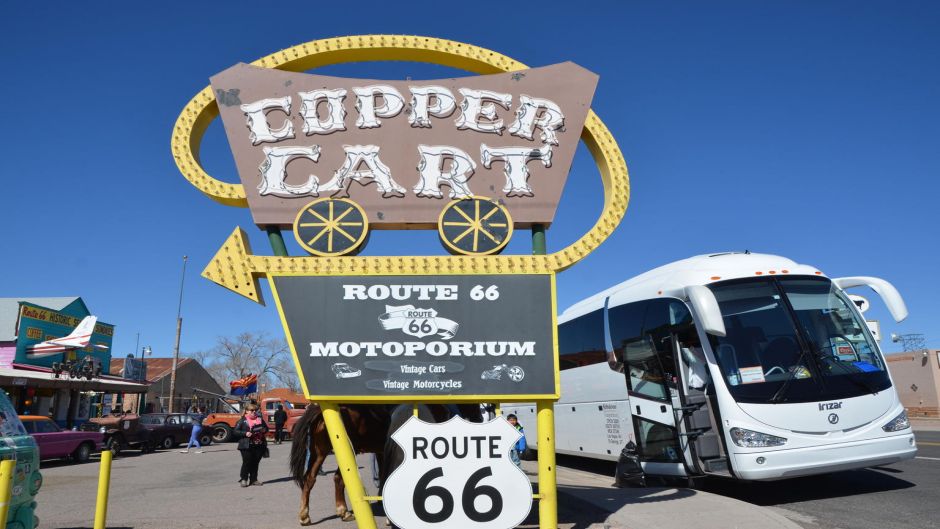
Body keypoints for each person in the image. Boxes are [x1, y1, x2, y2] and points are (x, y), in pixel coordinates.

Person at [233, 403, 269, 487]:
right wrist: (245, 433)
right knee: (247, 462)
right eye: (252, 410)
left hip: (259, 444)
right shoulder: (242, 420)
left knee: (255, 463)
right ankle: (244, 479)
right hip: (246, 445)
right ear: (246, 411)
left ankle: (253, 479)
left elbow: (266, 428)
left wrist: (264, 430)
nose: (254, 412)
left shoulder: (260, 419)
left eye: (255, 410)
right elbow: (235, 431)